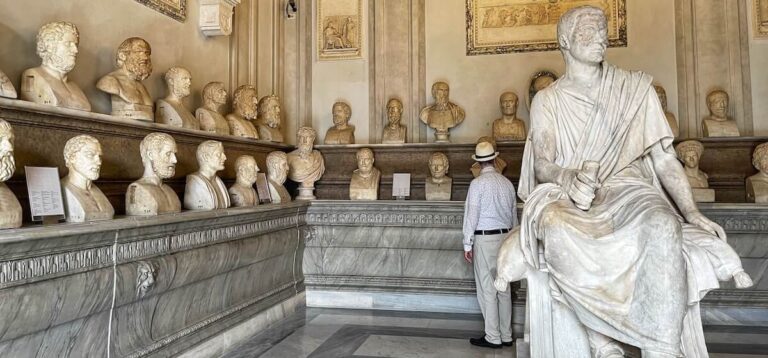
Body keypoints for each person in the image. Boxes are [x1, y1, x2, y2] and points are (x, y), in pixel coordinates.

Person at [515, 6, 752, 357]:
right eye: (590, 30)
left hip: (631, 189)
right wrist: (567, 176)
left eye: (603, 30)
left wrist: (691, 212)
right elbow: (543, 164)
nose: (601, 38)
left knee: (662, 225)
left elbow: (664, 159)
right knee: (552, 222)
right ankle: (603, 342)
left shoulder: (635, 89)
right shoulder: (548, 101)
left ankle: (662, 347)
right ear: (565, 40)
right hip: (580, 196)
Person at [463, 141, 517, 349]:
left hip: (485, 239)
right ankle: (506, 335)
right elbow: (514, 218)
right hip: (506, 239)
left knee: (487, 288)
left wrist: (467, 244)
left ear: (478, 163)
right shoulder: (507, 183)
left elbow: (472, 216)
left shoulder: (476, 185)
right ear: (495, 159)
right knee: (504, 288)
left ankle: (492, 336)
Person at [21, 21, 91, 111]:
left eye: (76, 44)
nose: (75, 50)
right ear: (49, 46)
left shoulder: (74, 86)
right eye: (68, 44)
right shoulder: (31, 76)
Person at [96, 37, 153, 121]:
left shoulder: (141, 86)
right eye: (138, 52)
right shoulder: (110, 81)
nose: (145, 57)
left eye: (147, 53)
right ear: (122, 56)